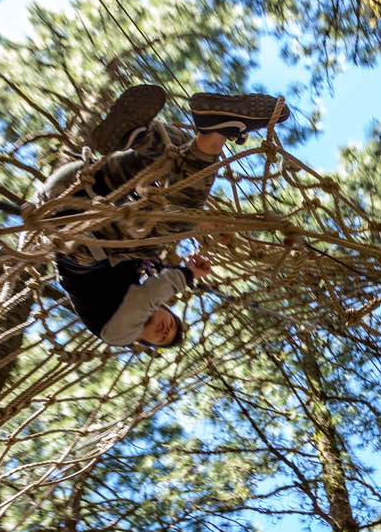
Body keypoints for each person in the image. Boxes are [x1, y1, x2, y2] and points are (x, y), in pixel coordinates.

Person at [27, 84, 286, 350]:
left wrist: (186, 274)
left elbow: (145, 297)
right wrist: (201, 225)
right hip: (87, 183)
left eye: (161, 338)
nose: (165, 330)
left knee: (159, 236)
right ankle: (146, 135)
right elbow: (157, 212)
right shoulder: (141, 269)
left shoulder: (117, 335)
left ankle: (215, 133)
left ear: (142, 340)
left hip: (70, 228)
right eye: (172, 325)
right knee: (179, 154)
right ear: (167, 308)